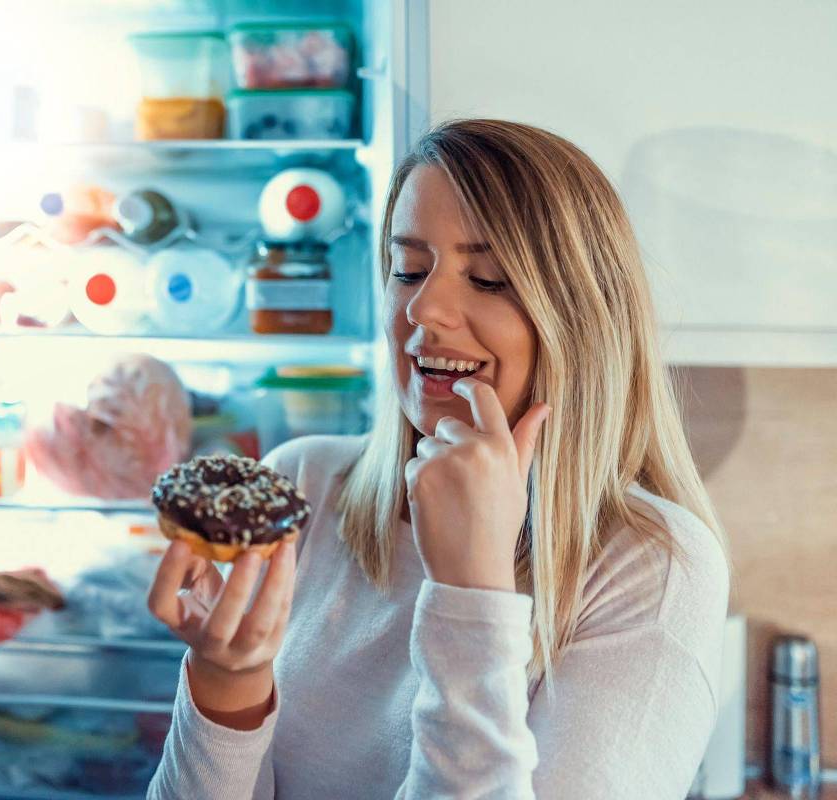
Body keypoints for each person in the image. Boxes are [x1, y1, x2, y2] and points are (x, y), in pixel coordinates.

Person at [145, 119, 730, 799]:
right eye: (409, 269)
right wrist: (228, 684)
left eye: (488, 279)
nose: (425, 308)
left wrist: (471, 592)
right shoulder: (303, 483)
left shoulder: (652, 567)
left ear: (581, 315)